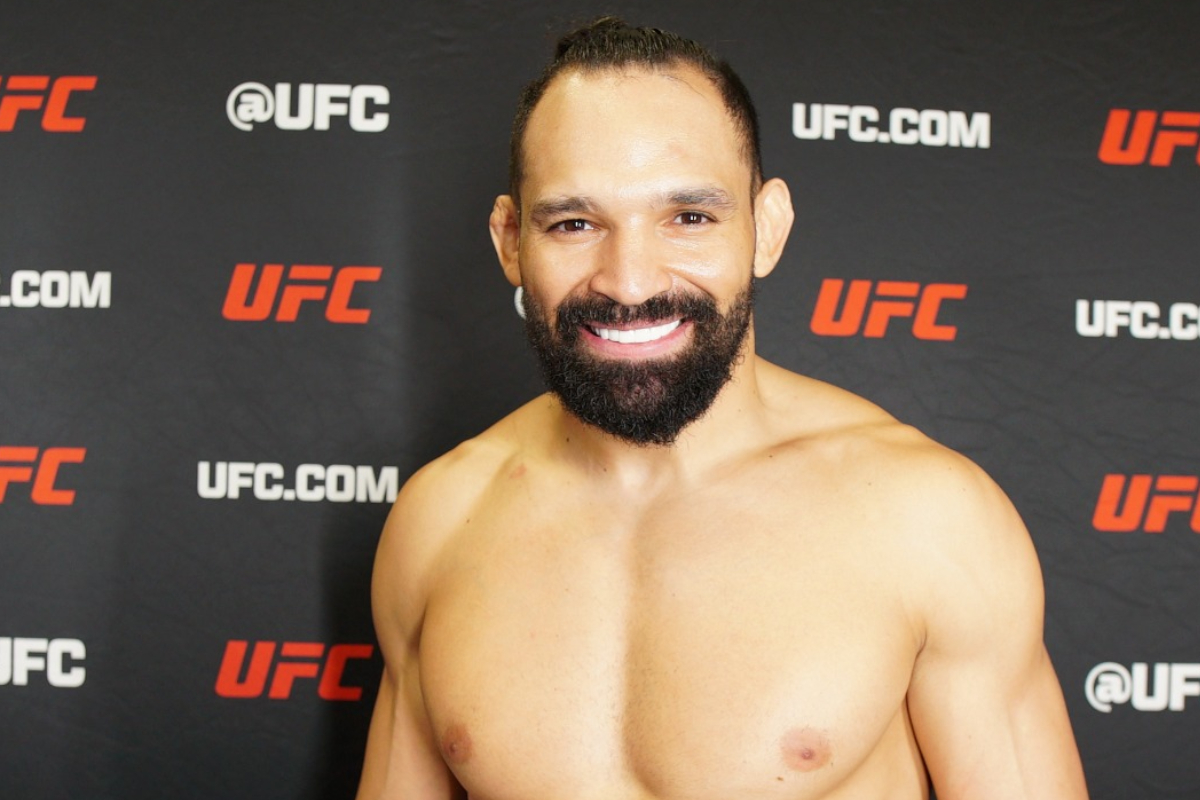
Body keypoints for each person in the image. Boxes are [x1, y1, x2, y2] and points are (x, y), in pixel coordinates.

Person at [357, 17, 1089, 800]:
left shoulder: (926, 518)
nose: (630, 280)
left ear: (766, 229)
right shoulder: (440, 520)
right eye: (574, 223)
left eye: (689, 218)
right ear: (510, 240)